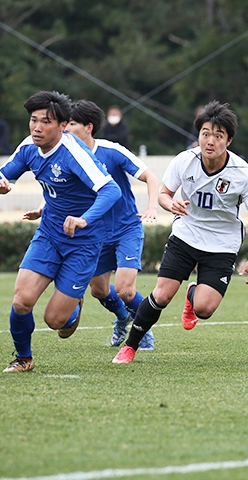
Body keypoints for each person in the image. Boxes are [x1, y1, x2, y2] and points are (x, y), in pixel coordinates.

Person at [112, 100, 248, 364]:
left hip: (221, 245)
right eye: (205, 133)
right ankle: (130, 347)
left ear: (228, 141)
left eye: (218, 136)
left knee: (204, 309)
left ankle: (193, 293)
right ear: (198, 135)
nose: (210, 141)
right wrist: (169, 203)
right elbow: (163, 194)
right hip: (186, 236)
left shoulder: (243, 173)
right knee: (161, 295)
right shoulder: (184, 161)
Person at [0, 91, 122, 373]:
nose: (37, 127)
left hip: (84, 243)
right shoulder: (29, 147)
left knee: (55, 322)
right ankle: (23, 358)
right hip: (49, 234)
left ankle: (74, 302)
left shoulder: (75, 154)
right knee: (22, 299)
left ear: (62, 126)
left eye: (45, 122)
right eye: (33, 120)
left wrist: (85, 219)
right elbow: (0, 174)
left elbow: (112, 190)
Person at [25, 100, 159, 350]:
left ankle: (143, 331)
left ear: (89, 127)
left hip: (125, 228)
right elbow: (63, 191)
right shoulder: (63, 152)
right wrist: (43, 208)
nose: (65, 128)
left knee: (125, 289)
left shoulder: (111, 150)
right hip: (94, 234)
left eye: (71, 124)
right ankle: (122, 318)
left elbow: (150, 176)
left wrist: (152, 207)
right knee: (98, 290)